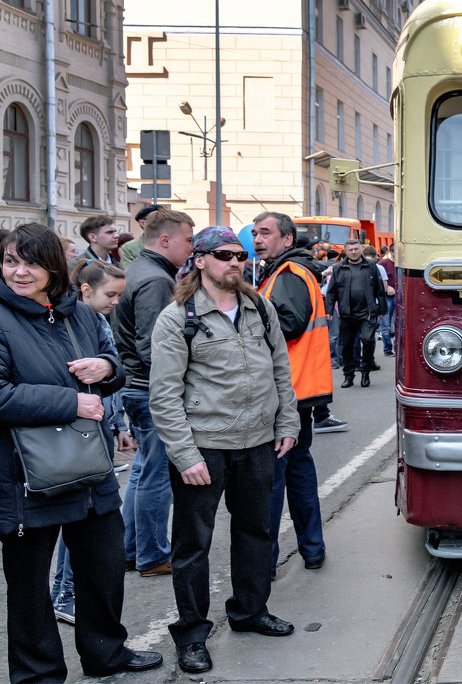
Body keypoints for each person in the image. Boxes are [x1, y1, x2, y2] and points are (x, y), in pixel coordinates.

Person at [0, 223, 163, 681]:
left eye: (31, 262)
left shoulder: (80, 314)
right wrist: (71, 401)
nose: (20, 272)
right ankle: (38, 674)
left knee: (104, 570)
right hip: (26, 474)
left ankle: (105, 653)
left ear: (54, 267)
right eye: (11, 261)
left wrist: (105, 366)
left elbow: (115, 369)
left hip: (90, 467)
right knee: (30, 586)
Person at [148, 227, 300, 675]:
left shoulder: (259, 306)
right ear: (199, 260)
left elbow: (279, 368)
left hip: (258, 442)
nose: (235, 262)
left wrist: (287, 421)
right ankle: (193, 634)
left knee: (256, 532)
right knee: (193, 545)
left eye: (240, 254)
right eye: (223, 255)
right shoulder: (178, 318)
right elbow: (164, 395)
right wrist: (185, 454)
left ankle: (250, 611)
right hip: (205, 448)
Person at [112, 208, 195, 576]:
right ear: (166, 240)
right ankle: (153, 554)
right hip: (149, 388)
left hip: (135, 386)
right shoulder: (156, 281)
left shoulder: (139, 271)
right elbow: (155, 347)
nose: (191, 248)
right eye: (188, 240)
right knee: (156, 473)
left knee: (145, 469)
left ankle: (133, 550)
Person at [50, 260, 134, 625]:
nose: (115, 302)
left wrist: (118, 424)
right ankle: (64, 591)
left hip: (99, 428)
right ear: (84, 290)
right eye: (110, 294)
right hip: (74, 434)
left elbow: (111, 373)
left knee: (92, 520)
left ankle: (71, 593)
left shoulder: (94, 320)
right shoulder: (70, 320)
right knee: (76, 515)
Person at [252, 211, 335, 578]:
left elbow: (287, 323)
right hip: (300, 390)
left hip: (286, 393)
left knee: (272, 479)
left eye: (266, 233)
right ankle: (312, 549)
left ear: (287, 239)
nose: (258, 239)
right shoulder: (288, 272)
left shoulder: (287, 275)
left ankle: (265, 561)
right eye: (255, 233)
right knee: (299, 471)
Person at [324, 239, 386, 388]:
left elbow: (379, 289)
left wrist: (382, 309)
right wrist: (329, 310)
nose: (353, 252)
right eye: (350, 249)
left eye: (356, 249)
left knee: (368, 340)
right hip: (346, 313)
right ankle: (349, 375)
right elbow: (331, 292)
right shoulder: (338, 268)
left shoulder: (371, 266)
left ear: (361, 249)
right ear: (345, 251)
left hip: (367, 312)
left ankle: (365, 371)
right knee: (346, 345)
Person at [118, 204, 164, 269]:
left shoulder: (174, 243)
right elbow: (132, 274)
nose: (164, 223)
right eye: (158, 219)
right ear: (143, 223)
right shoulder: (129, 248)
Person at [376, 245, 396, 356]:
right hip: (387, 297)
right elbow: (375, 274)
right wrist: (387, 286)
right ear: (390, 252)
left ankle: (397, 348)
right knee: (386, 325)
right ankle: (387, 349)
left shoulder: (402, 264)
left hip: (400, 296)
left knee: (399, 324)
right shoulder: (383, 263)